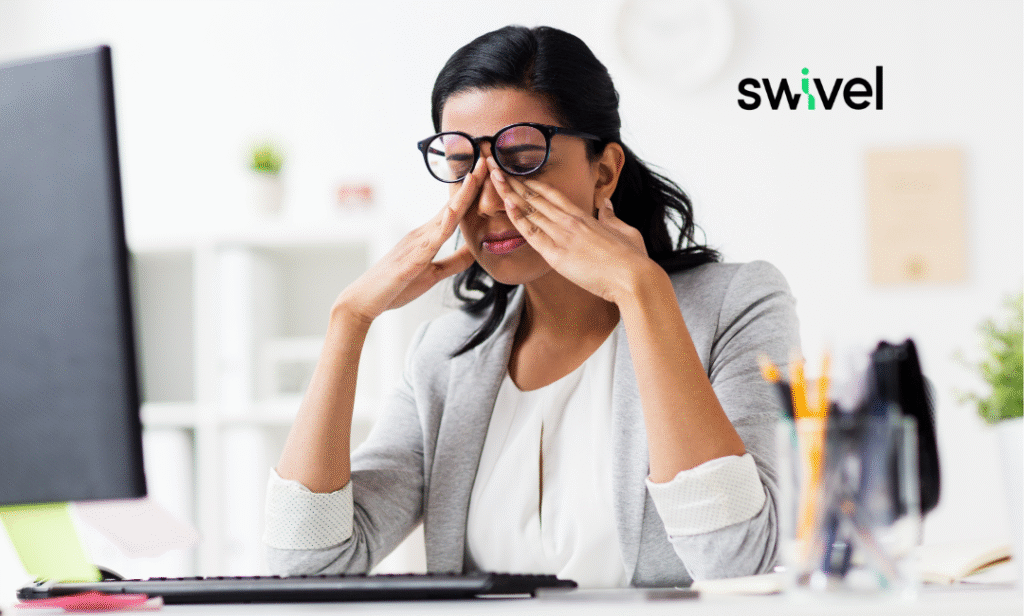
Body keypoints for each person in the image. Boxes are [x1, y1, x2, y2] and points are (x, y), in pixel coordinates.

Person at [263, 24, 800, 588]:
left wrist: (642, 293)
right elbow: (308, 566)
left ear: (603, 172)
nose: (488, 202)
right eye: (462, 168)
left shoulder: (736, 306)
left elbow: (736, 562)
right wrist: (349, 320)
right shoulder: (445, 356)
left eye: (522, 160)